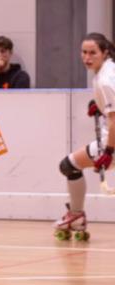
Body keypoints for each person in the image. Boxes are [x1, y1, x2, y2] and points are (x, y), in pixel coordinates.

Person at [54, 33, 115, 239]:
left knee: (68, 166)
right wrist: (99, 106)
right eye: (84, 52)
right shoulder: (108, 69)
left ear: (104, 52)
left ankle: (77, 216)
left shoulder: (105, 79)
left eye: (93, 53)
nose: (87, 57)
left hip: (112, 140)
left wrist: (108, 151)